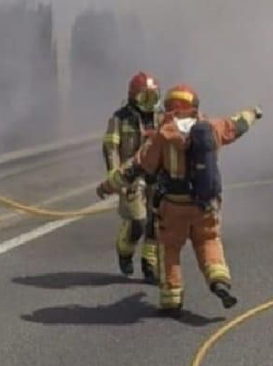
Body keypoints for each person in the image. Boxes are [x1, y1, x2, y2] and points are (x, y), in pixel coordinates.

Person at [134, 85, 261, 316]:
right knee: (208, 241)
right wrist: (254, 112)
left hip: (173, 206)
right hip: (205, 205)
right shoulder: (211, 128)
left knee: (169, 249)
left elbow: (141, 164)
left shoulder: (163, 135)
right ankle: (219, 279)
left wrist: (109, 184)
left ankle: (171, 299)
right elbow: (237, 125)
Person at [97, 72, 163, 282]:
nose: (150, 103)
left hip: (157, 176)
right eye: (145, 98)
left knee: (156, 221)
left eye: (153, 97)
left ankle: (149, 264)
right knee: (139, 221)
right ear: (134, 97)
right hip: (130, 177)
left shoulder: (161, 117)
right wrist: (115, 177)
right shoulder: (120, 118)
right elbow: (110, 148)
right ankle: (125, 250)